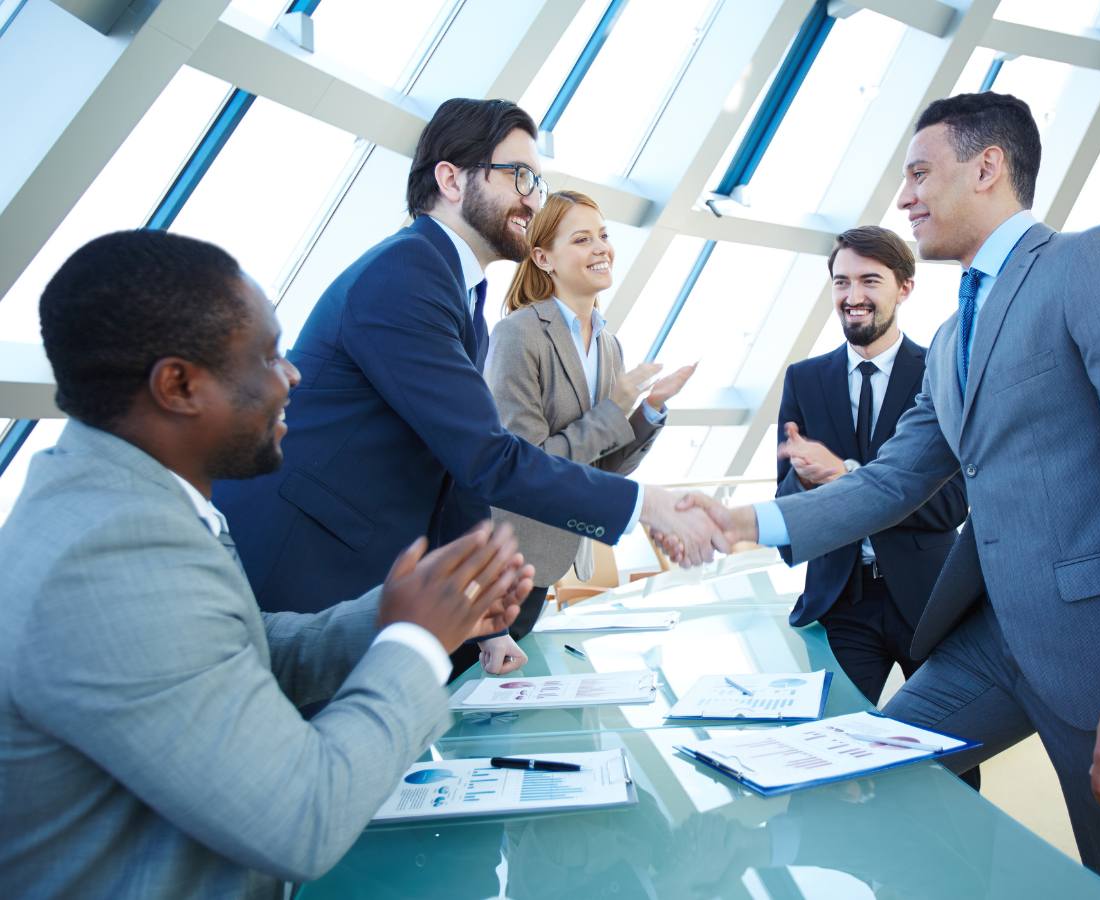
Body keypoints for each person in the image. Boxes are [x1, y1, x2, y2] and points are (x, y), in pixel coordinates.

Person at [677, 91, 1100, 897]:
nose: (905, 196)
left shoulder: (1098, 262)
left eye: (921, 173)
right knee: (872, 771)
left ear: (987, 167)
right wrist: (745, 520)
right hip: (996, 643)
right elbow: (892, 479)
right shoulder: (955, 336)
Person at [0, 230, 529, 899]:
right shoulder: (105, 560)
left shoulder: (116, 500)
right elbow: (304, 815)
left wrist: (389, 615)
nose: (293, 375)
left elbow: (225, 653)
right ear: (179, 385)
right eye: (268, 356)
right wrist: (416, 644)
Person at [213, 98, 720, 675]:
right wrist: (646, 506)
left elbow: (459, 478)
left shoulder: (458, 297)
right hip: (299, 557)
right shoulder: (406, 273)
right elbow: (488, 458)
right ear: (451, 179)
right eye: (520, 176)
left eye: (539, 179)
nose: (535, 197)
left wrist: (490, 620)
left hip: (349, 565)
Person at [482, 190, 696, 653]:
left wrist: (648, 410)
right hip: (502, 564)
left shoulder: (608, 344)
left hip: (551, 558)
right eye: (581, 239)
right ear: (543, 257)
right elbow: (525, 468)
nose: (601, 248)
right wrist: (614, 407)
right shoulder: (518, 335)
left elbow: (598, 470)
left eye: (603, 235)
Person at [775, 225, 966, 706]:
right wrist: (803, 477)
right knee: (830, 744)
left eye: (869, 281)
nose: (852, 296)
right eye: (841, 282)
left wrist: (848, 476)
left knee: (950, 754)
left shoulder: (940, 372)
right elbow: (788, 508)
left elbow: (953, 504)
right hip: (842, 600)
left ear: (904, 288)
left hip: (929, 599)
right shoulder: (804, 380)